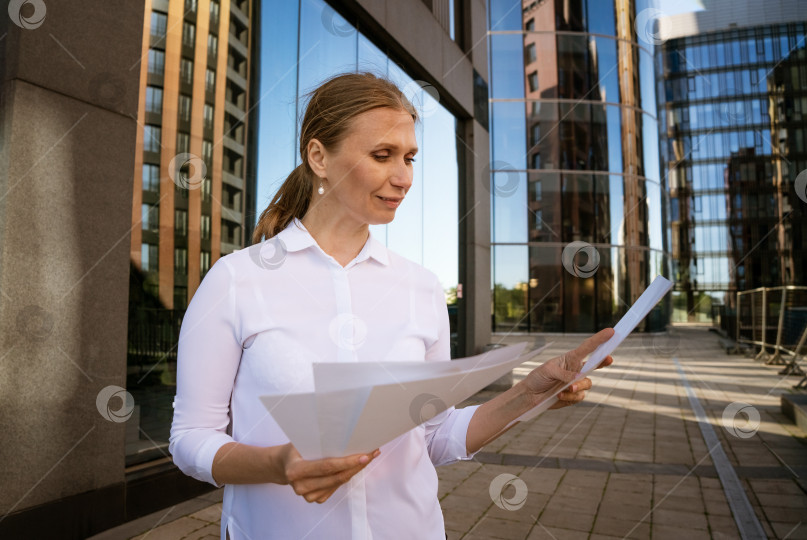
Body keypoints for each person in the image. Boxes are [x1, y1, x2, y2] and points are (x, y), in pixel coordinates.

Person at [169, 72, 614, 540]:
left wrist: (530, 394)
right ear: (318, 156)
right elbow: (190, 438)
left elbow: (433, 436)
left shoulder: (421, 287)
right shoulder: (237, 279)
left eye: (409, 157)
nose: (403, 178)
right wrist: (279, 465)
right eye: (382, 156)